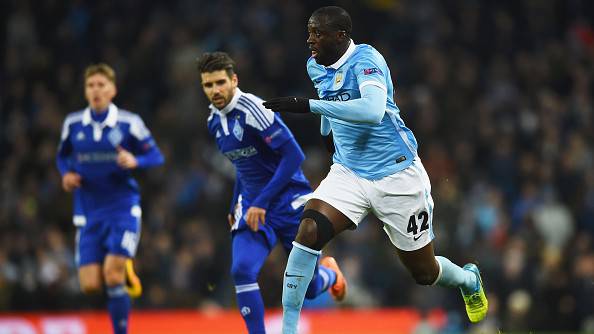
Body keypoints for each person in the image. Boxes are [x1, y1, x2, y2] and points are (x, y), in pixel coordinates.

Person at [262, 6, 489, 333]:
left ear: (340, 35)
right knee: (308, 232)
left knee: (423, 272)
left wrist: (306, 107)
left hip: (397, 176)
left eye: (317, 33)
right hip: (349, 172)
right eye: (309, 31)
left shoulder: (367, 61)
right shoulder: (315, 65)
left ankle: (468, 279)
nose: (309, 39)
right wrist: (328, 133)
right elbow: (332, 101)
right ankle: (288, 328)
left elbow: (370, 110)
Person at [196, 52, 344, 334]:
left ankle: (329, 273)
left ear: (233, 80)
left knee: (309, 289)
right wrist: (234, 206)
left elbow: (293, 156)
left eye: (219, 82)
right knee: (242, 270)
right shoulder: (214, 122)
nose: (214, 90)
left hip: (288, 201)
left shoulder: (253, 109)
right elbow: (243, 166)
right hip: (253, 205)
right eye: (208, 85)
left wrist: (262, 202)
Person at [56, 63, 164, 334]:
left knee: (112, 275)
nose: (96, 90)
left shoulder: (130, 123)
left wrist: (135, 159)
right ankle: (122, 270)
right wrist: (66, 174)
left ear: (112, 90)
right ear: (85, 91)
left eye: (101, 85)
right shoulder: (73, 124)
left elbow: (156, 156)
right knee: (90, 284)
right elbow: (62, 156)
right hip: (88, 211)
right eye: (91, 85)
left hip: (122, 208)